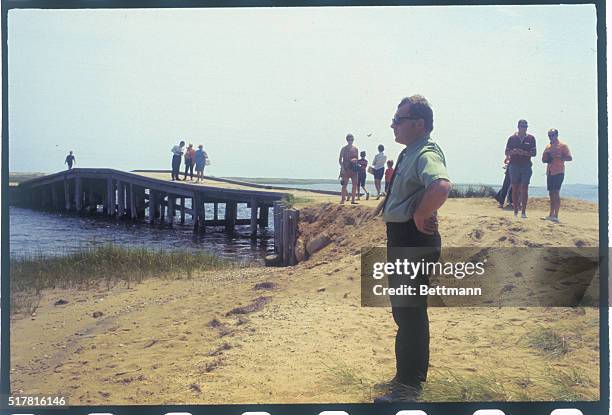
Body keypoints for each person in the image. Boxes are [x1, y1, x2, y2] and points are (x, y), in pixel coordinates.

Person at [374, 95, 451, 403]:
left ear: (419, 124)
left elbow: (441, 185)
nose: (393, 125)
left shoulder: (426, 152)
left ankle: (408, 388)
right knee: (405, 311)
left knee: (410, 313)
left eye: (398, 120)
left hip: (413, 240)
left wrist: (420, 213)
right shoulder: (410, 152)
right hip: (405, 238)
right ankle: (404, 378)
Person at [505, 119, 536, 218]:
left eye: (525, 126)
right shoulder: (512, 138)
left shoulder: (531, 138)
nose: (524, 128)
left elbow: (534, 153)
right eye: (522, 126)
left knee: (525, 187)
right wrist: (513, 151)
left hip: (526, 165)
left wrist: (524, 153)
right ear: (518, 127)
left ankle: (523, 211)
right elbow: (506, 152)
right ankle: (515, 211)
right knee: (515, 187)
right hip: (514, 165)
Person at [541, 128, 572, 222]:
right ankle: (551, 214)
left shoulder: (563, 146)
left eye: (552, 135)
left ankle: (556, 215)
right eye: (549, 135)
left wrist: (560, 157)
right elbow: (543, 159)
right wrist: (547, 158)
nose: (550, 137)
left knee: (556, 192)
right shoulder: (548, 147)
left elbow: (569, 158)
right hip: (550, 171)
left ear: (556, 135)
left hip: (558, 171)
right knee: (551, 193)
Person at [338, 134, 359, 204]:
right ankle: (342, 200)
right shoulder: (344, 149)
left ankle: (353, 200)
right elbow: (340, 159)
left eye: (352, 140)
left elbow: (357, 158)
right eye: (349, 140)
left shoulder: (356, 149)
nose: (350, 141)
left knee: (354, 184)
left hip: (354, 169)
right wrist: (342, 168)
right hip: (346, 169)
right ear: (347, 140)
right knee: (344, 185)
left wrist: (354, 160)